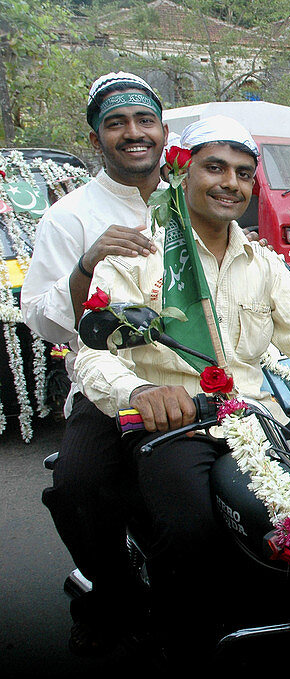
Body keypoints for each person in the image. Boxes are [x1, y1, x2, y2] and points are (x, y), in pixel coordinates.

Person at [72, 115, 290, 665]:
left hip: (258, 420)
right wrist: (138, 393)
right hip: (177, 428)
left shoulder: (264, 261)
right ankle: (188, 644)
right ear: (182, 171)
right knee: (190, 536)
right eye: (215, 167)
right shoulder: (137, 253)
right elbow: (93, 349)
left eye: (244, 173)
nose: (230, 182)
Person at [22, 71, 168, 655]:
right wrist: (86, 264)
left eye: (144, 121)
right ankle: (113, 597)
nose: (133, 133)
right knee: (79, 481)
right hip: (110, 382)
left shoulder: (200, 195)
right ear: (96, 138)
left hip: (212, 372)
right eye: (116, 123)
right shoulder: (69, 215)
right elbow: (43, 318)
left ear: (163, 130)